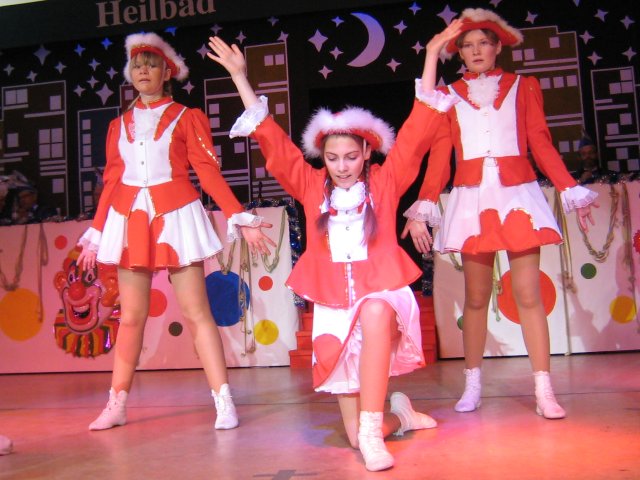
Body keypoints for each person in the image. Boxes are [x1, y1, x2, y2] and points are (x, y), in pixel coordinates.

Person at [207, 21, 462, 472]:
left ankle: (373, 431)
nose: (342, 166)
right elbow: (271, 139)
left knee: (376, 312)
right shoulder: (311, 187)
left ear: (367, 154)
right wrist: (240, 78)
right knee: (352, 433)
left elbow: (418, 129)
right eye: (332, 158)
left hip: (379, 286)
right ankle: (396, 417)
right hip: (331, 298)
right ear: (321, 157)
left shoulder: (385, 182)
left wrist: (430, 56)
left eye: (351, 157)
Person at [402, 8, 599, 420]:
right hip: (472, 200)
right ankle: (472, 384)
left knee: (528, 294)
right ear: (459, 53)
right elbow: (439, 157)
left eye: (483, 44)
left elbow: (540, 142)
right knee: (476, 297)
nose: (475, 51)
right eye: (467, 46)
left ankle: (544, 389)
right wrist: (424, 205)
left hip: (517, 196)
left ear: (497, 47)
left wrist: (569, 187)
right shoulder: (448, 95)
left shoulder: (524, 86)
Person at [77, 32, 275, 432]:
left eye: (151, 64)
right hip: (131, 218)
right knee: (131, 317)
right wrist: (96, 232)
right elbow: (112, 181)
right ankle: (117, 404)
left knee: (197, 312)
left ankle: (223, 401)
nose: (143, 71)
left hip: (177, 215)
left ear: (167, 72)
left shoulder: (187, 117)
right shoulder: (117, 125)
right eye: (137, 65)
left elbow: (207, 172)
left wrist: (238, 215)